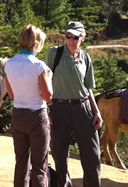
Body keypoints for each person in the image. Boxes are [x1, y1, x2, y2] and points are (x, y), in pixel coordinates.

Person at [44, 21, 103, 187]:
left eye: (75, 37)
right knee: (59, 155)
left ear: (82, 38)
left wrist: (96, 111)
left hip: (83, 108)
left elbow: (88, 87)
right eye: (68, 35)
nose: (71, 39)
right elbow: (43, 82)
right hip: (59, 108)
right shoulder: (53, 53)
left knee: (92, 155)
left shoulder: (85, 57)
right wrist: (46, 110)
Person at [5, 25, 53, 187]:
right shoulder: (39, 66)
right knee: (39, 166)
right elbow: (48, 96)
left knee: (21, 164)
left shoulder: (9, 64)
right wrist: (49, 78)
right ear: (36, 43)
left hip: (18, 116)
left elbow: (12, 95)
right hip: (36, 117)